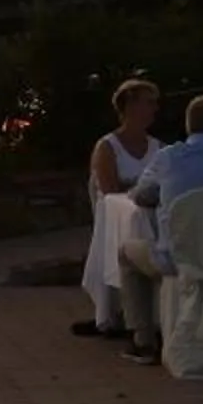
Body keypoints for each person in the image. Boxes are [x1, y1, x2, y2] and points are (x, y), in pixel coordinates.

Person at [116, 93, 203, 354]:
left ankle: (143, 341)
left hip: (179, 259)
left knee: (125, 253)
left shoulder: (168, 157)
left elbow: (139, 195)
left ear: (188, 126)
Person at [73, 79, 162, 336]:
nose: (155, 108)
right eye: (149, 102)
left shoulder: (159, 147)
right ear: (131, 106)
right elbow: (110, 190)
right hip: (117, 219)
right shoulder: (108, 147)